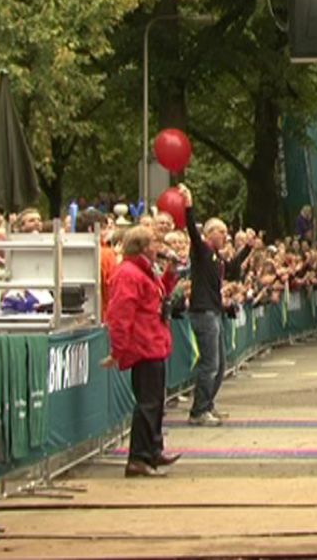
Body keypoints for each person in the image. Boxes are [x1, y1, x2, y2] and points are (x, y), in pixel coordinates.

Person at [105, 225, 181, 477]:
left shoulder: (146, 271)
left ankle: (153, 449)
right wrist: (118, 349)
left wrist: (169, 276)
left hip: (153, 342)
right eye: (153, 243)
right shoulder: (129, 274)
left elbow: (159, 296)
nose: (158, 247)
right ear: (142, 247)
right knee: (148, 403)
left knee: (156, 402)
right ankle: (138, 457)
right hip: (143, 345)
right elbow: (120, 314)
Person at [179, 184, 231, 427]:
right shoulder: (201, 250)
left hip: (215, 311)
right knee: (209, 364)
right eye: (223, 233)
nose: (226, 237)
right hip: (203, 313)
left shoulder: (217, 257)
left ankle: (208, 403)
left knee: (220, 364)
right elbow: (191, 229)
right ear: (212, 233)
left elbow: (233, 269)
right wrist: (189, 205)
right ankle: (198, 410)